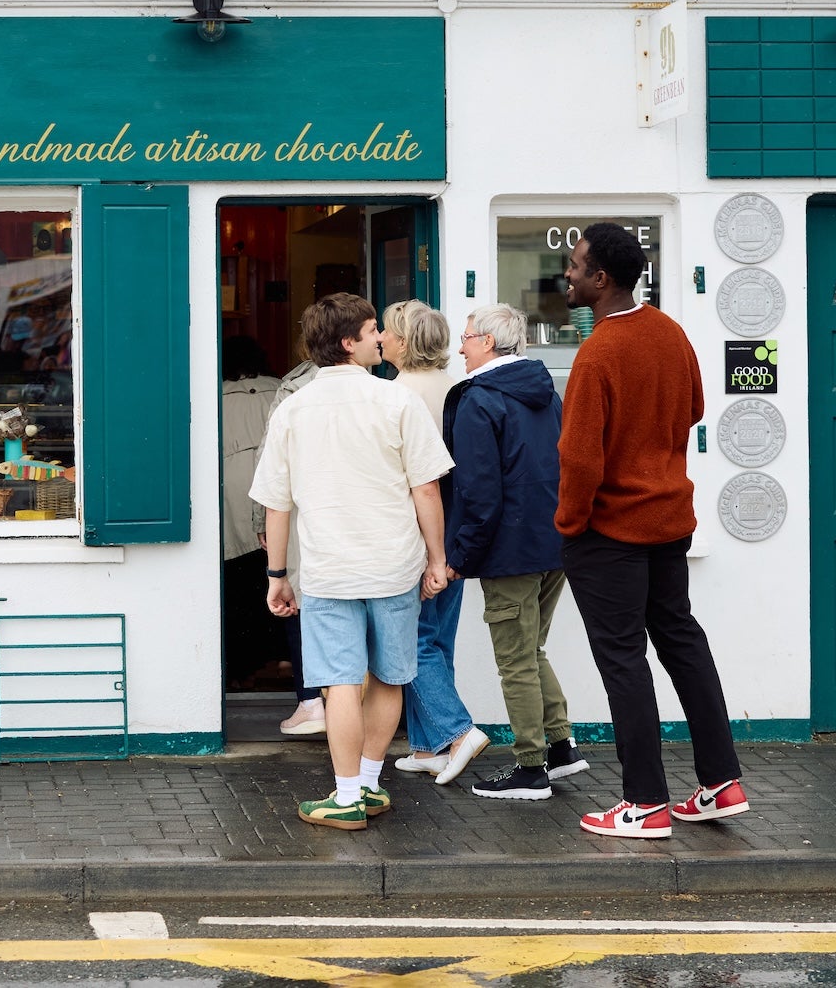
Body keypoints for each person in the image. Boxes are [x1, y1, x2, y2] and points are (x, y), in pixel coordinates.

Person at [556, 223, 748, 839]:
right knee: (682, 643)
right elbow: (693, 408)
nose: (568, 273)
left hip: (610, 530)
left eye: (576, 265)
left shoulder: (597, 353)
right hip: (669, 519)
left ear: (601, 279)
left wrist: (570, 524)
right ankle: (722, 784)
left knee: (623, 661)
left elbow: (579, 458)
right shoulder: (671, 333)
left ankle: (645, 802)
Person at [250, 293, 453, 831]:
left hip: (328, 568)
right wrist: (438, 559)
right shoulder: (397, 402)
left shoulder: (292, 408)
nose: (382, 338)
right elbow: (427, 489)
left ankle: (344, 797)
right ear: (348, 342)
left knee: (339, 682)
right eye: (371, 330)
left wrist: (277, 575)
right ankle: (368, 784)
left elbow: (277, 502)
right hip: (393, 564)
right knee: (388, 676)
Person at [442, 303, 587, 801]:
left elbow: (478, 491)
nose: (459, 347)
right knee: (532, 650)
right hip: (554, 544)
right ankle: (562, 747)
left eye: (465, 337)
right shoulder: (547, 394)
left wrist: (458, 555)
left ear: (486, 341)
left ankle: (530, 768)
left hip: (508, 552)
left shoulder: (478, 401)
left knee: (515, 661)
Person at [380, 300, 488, 787]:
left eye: (385, 331)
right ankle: (429, 748)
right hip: (458, 534)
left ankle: (456, 730)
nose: (379, 338)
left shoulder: (396, 395)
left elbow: (409, 481)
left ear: (403, 341)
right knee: (438, 637)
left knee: (413, 639)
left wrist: (430, 554)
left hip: (419, 536)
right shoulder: (461, 388)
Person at [253, 348, 325, 734]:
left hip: (304, 516)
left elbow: (271, 460)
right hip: (362, 524)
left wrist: (258, 521)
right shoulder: (386, 388)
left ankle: (312, 700)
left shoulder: (294, 388)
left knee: (299, 600)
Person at [220, 336, 284, 691]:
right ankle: (282, 659)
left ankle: (241, 669)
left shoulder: (215, 395)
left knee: (237, 582)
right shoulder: (281, 389)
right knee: (276, 575)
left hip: (230, 490)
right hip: (271, 488)